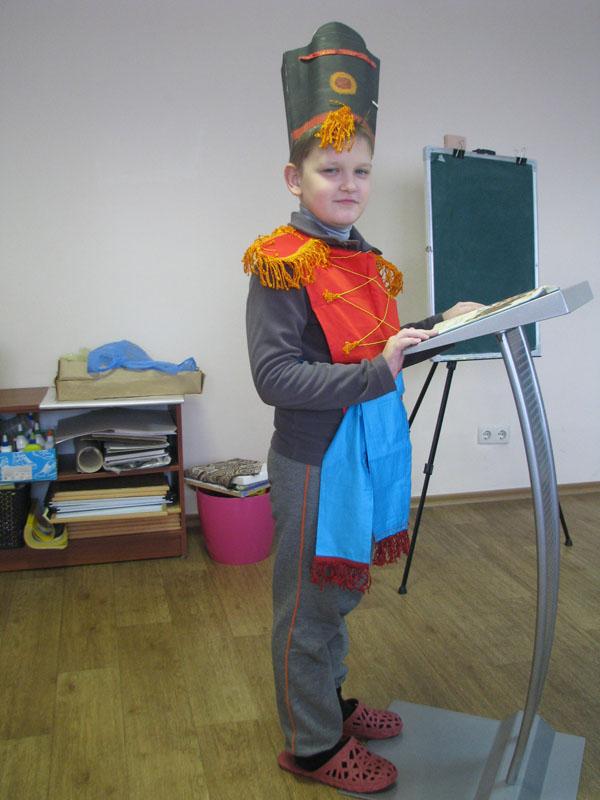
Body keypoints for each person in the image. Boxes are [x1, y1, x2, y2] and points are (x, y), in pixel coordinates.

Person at [243, 22, 481, 794]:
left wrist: (443, 328)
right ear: (294, 176)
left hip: (363, 453)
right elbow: (276, 377)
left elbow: (379, 354)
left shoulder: (365, 259)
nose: (348, 184)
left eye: (361, 170)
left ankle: (331, 705)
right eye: (330, 169)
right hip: (315, 461)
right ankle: (312, 747)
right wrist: (379, 371)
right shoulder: (281, 263)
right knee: (308, 608)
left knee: (337, 597)